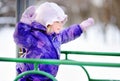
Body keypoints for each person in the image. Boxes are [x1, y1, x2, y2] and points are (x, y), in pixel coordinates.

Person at [13, 2, 94, 81]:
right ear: (48, 22)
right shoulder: (35, 36)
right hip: (32, 77)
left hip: (48, 77)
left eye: (61, 21)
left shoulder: (56, 36)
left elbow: (67, 34)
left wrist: (80, 27)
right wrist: (24, 23)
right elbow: (20, 38)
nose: (61, 24)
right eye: (57, 22)